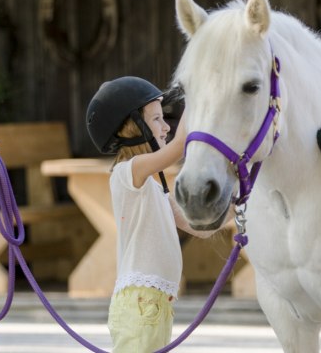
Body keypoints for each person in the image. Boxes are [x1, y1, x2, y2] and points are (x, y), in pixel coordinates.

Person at [86, 76, 224, 353]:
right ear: (131, 127)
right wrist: (198, 96)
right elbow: (177, 147)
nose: (166, 127)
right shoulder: (128, 173)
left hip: (156, 303)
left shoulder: (153, 187)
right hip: (141, 303)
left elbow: (202, 227)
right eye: (158, 119)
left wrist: (241, 203)